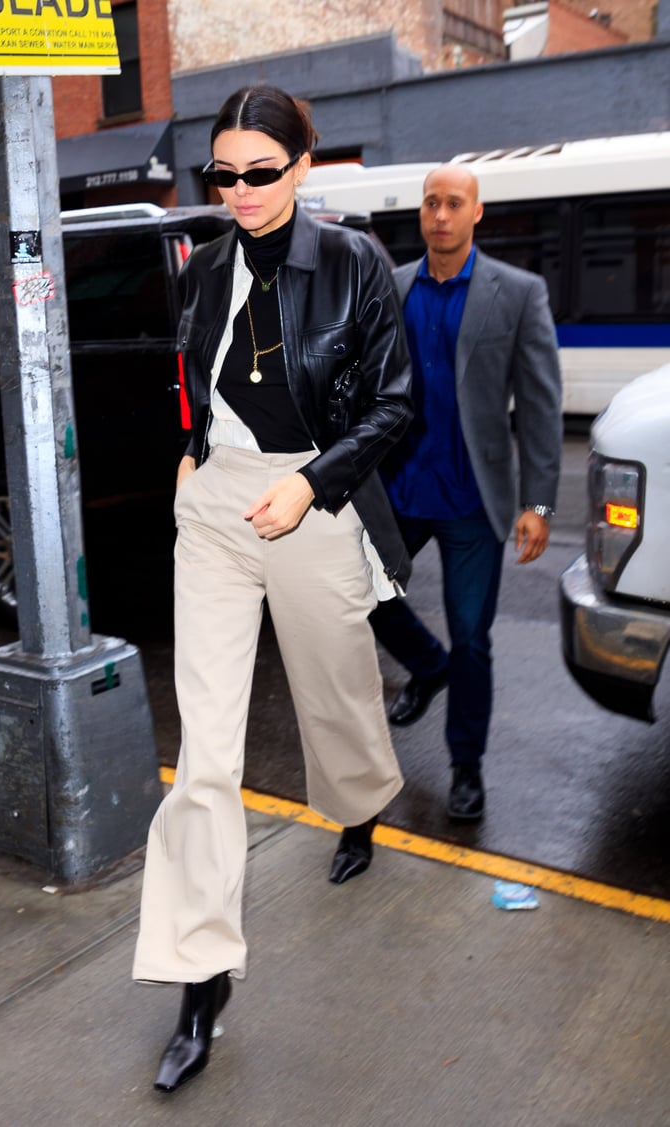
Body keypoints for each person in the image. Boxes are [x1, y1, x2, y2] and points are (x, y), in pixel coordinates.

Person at [131, 84, 413, 1093]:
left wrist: (310, 480)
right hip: (217, 509)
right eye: (224, 173)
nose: (239, 190)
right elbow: (194, 375)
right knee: (205, 753)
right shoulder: (203, 268)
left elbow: (394, 404)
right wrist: (191, 453)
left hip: (316, 494)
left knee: (336, 692)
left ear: (302, 164)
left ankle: (359, 803)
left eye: (260, 171)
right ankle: (199, 975)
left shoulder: (354, 263)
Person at [369, 162, 562, 823]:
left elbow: (540, 403)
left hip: (474, 500)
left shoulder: (518, 292)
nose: (441, 214)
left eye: (454, 203)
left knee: (473, 639)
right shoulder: (392, 288)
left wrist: (538, 503)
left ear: (476, 212)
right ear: (420, 214)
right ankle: (427, 666)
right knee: (361, 590)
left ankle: (466, 768)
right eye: (431, 203)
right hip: (399, 488)